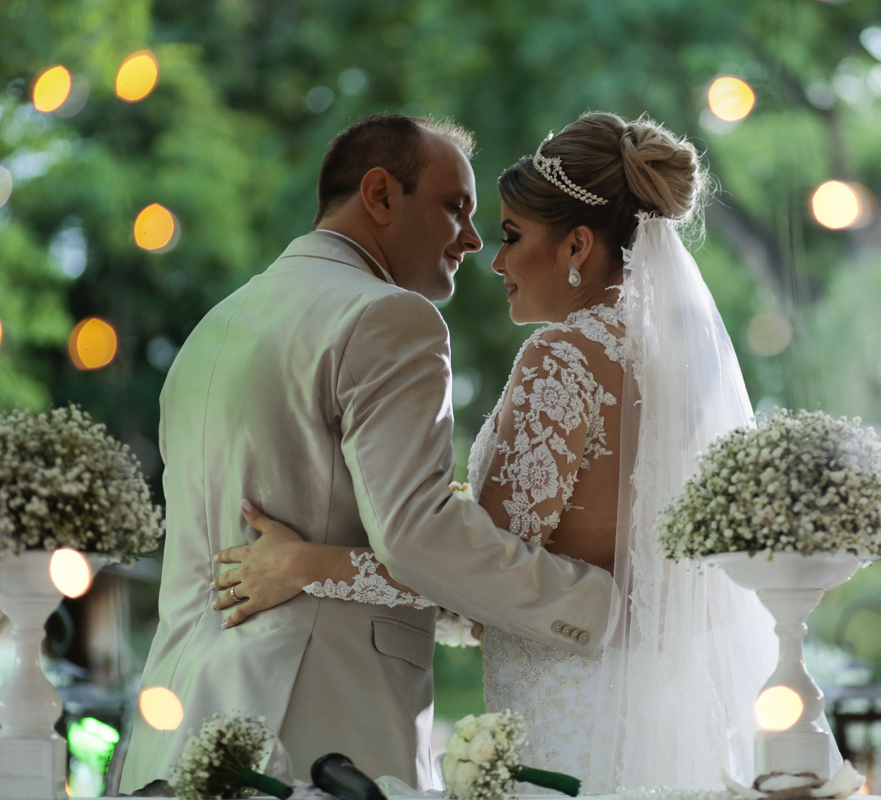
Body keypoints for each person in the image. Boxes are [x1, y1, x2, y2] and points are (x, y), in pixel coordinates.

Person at [210, 112, 829, 792]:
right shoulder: (674, 368)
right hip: (656, 705)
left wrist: (307, 565)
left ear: (576, 247)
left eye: (511, 236)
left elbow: (477, 575)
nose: (496, 260)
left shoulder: (561, 358)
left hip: (570, 720)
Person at [118, 114, 621, 793]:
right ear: (381, 195)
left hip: (174, 732)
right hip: (315, 732)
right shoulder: (389, 318)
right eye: (455, 209)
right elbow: (417, 536)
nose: (473, 240)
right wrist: (593, 603)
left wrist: (313, 565)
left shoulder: (214, 328)